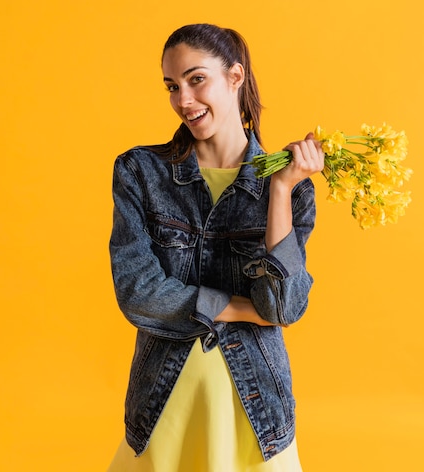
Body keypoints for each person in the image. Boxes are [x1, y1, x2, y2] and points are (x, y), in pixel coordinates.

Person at [107, 24, 324, 471]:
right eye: (172, 86)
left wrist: (280, 190)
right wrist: (241, 309)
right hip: (162, 406)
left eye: (196, 79)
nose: (183, 100)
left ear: (235, 77)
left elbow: (282, 305)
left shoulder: (291, 189)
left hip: (256, 412)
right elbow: (138, 293)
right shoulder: (140, 172)